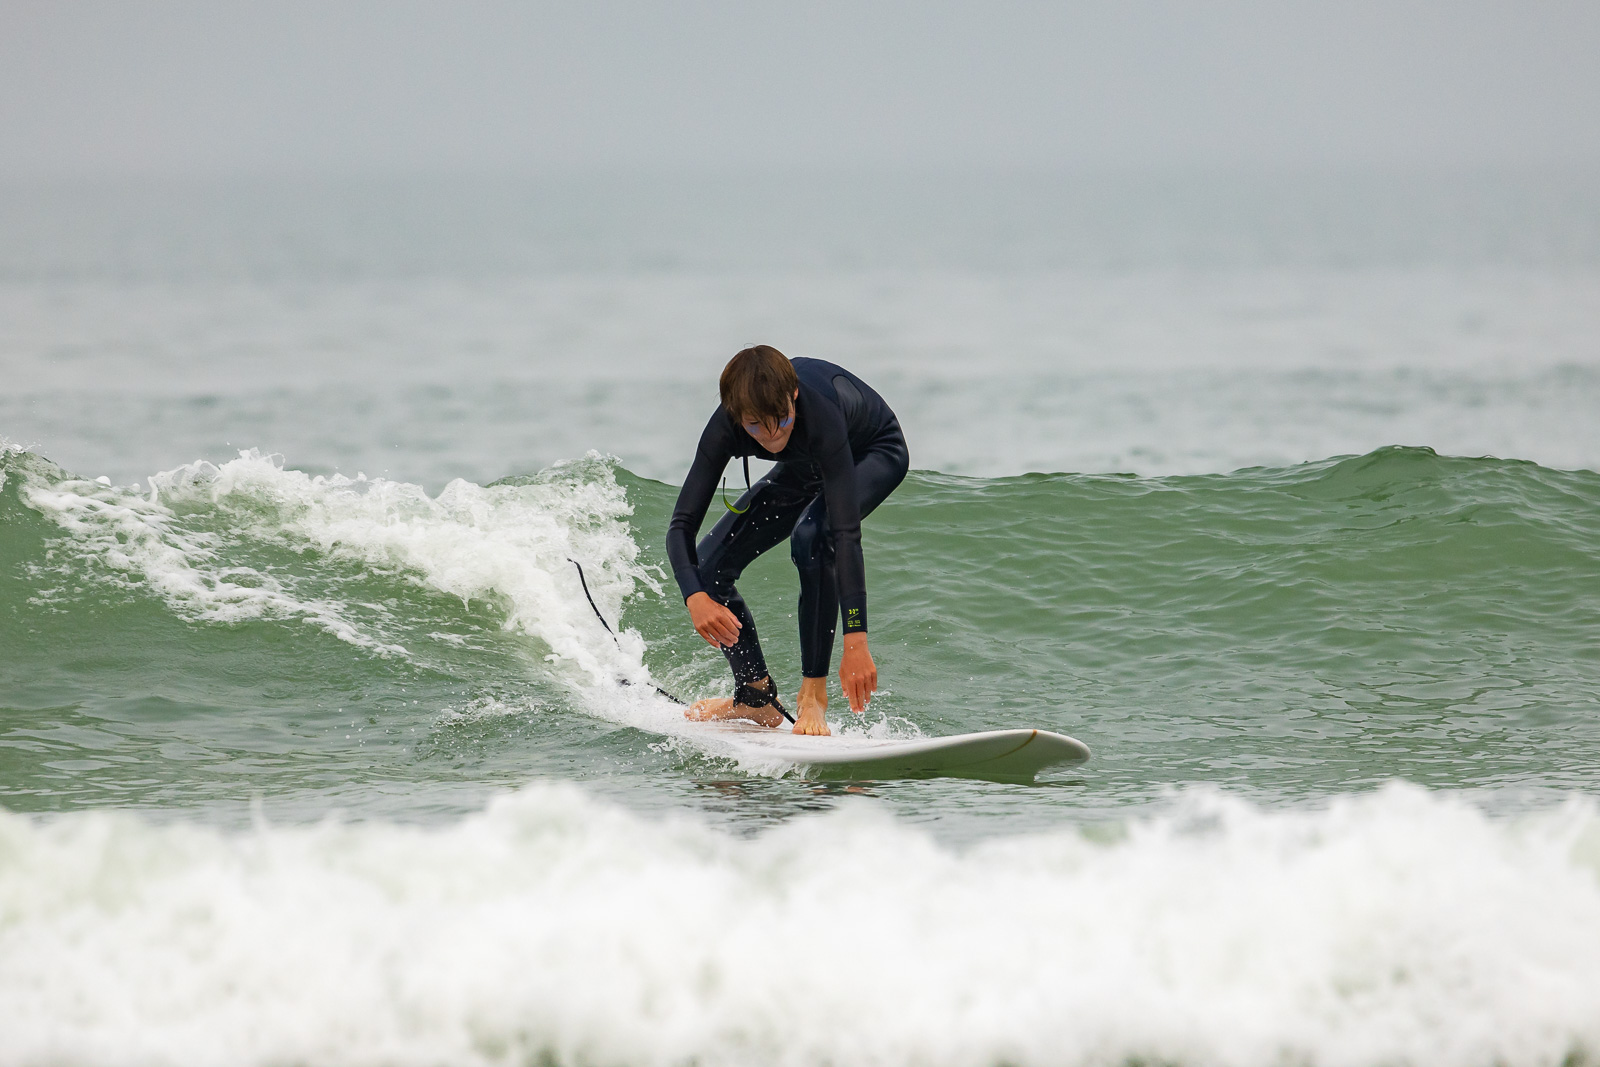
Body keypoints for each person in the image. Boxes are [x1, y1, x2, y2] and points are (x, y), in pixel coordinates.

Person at [666, 345, 909, 736]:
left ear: (793, 395)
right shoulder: (727, 426)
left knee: (813, 535)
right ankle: (755, 697)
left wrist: (856, 640)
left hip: (873, 452)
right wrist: (694, 596)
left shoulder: (821, 414)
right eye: (755, 427)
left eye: (782, 419)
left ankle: (813, 696)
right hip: (805, 464)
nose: (772, 436)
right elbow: (681, 525)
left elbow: (845, 535)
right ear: (736, 415)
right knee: (707, 569)